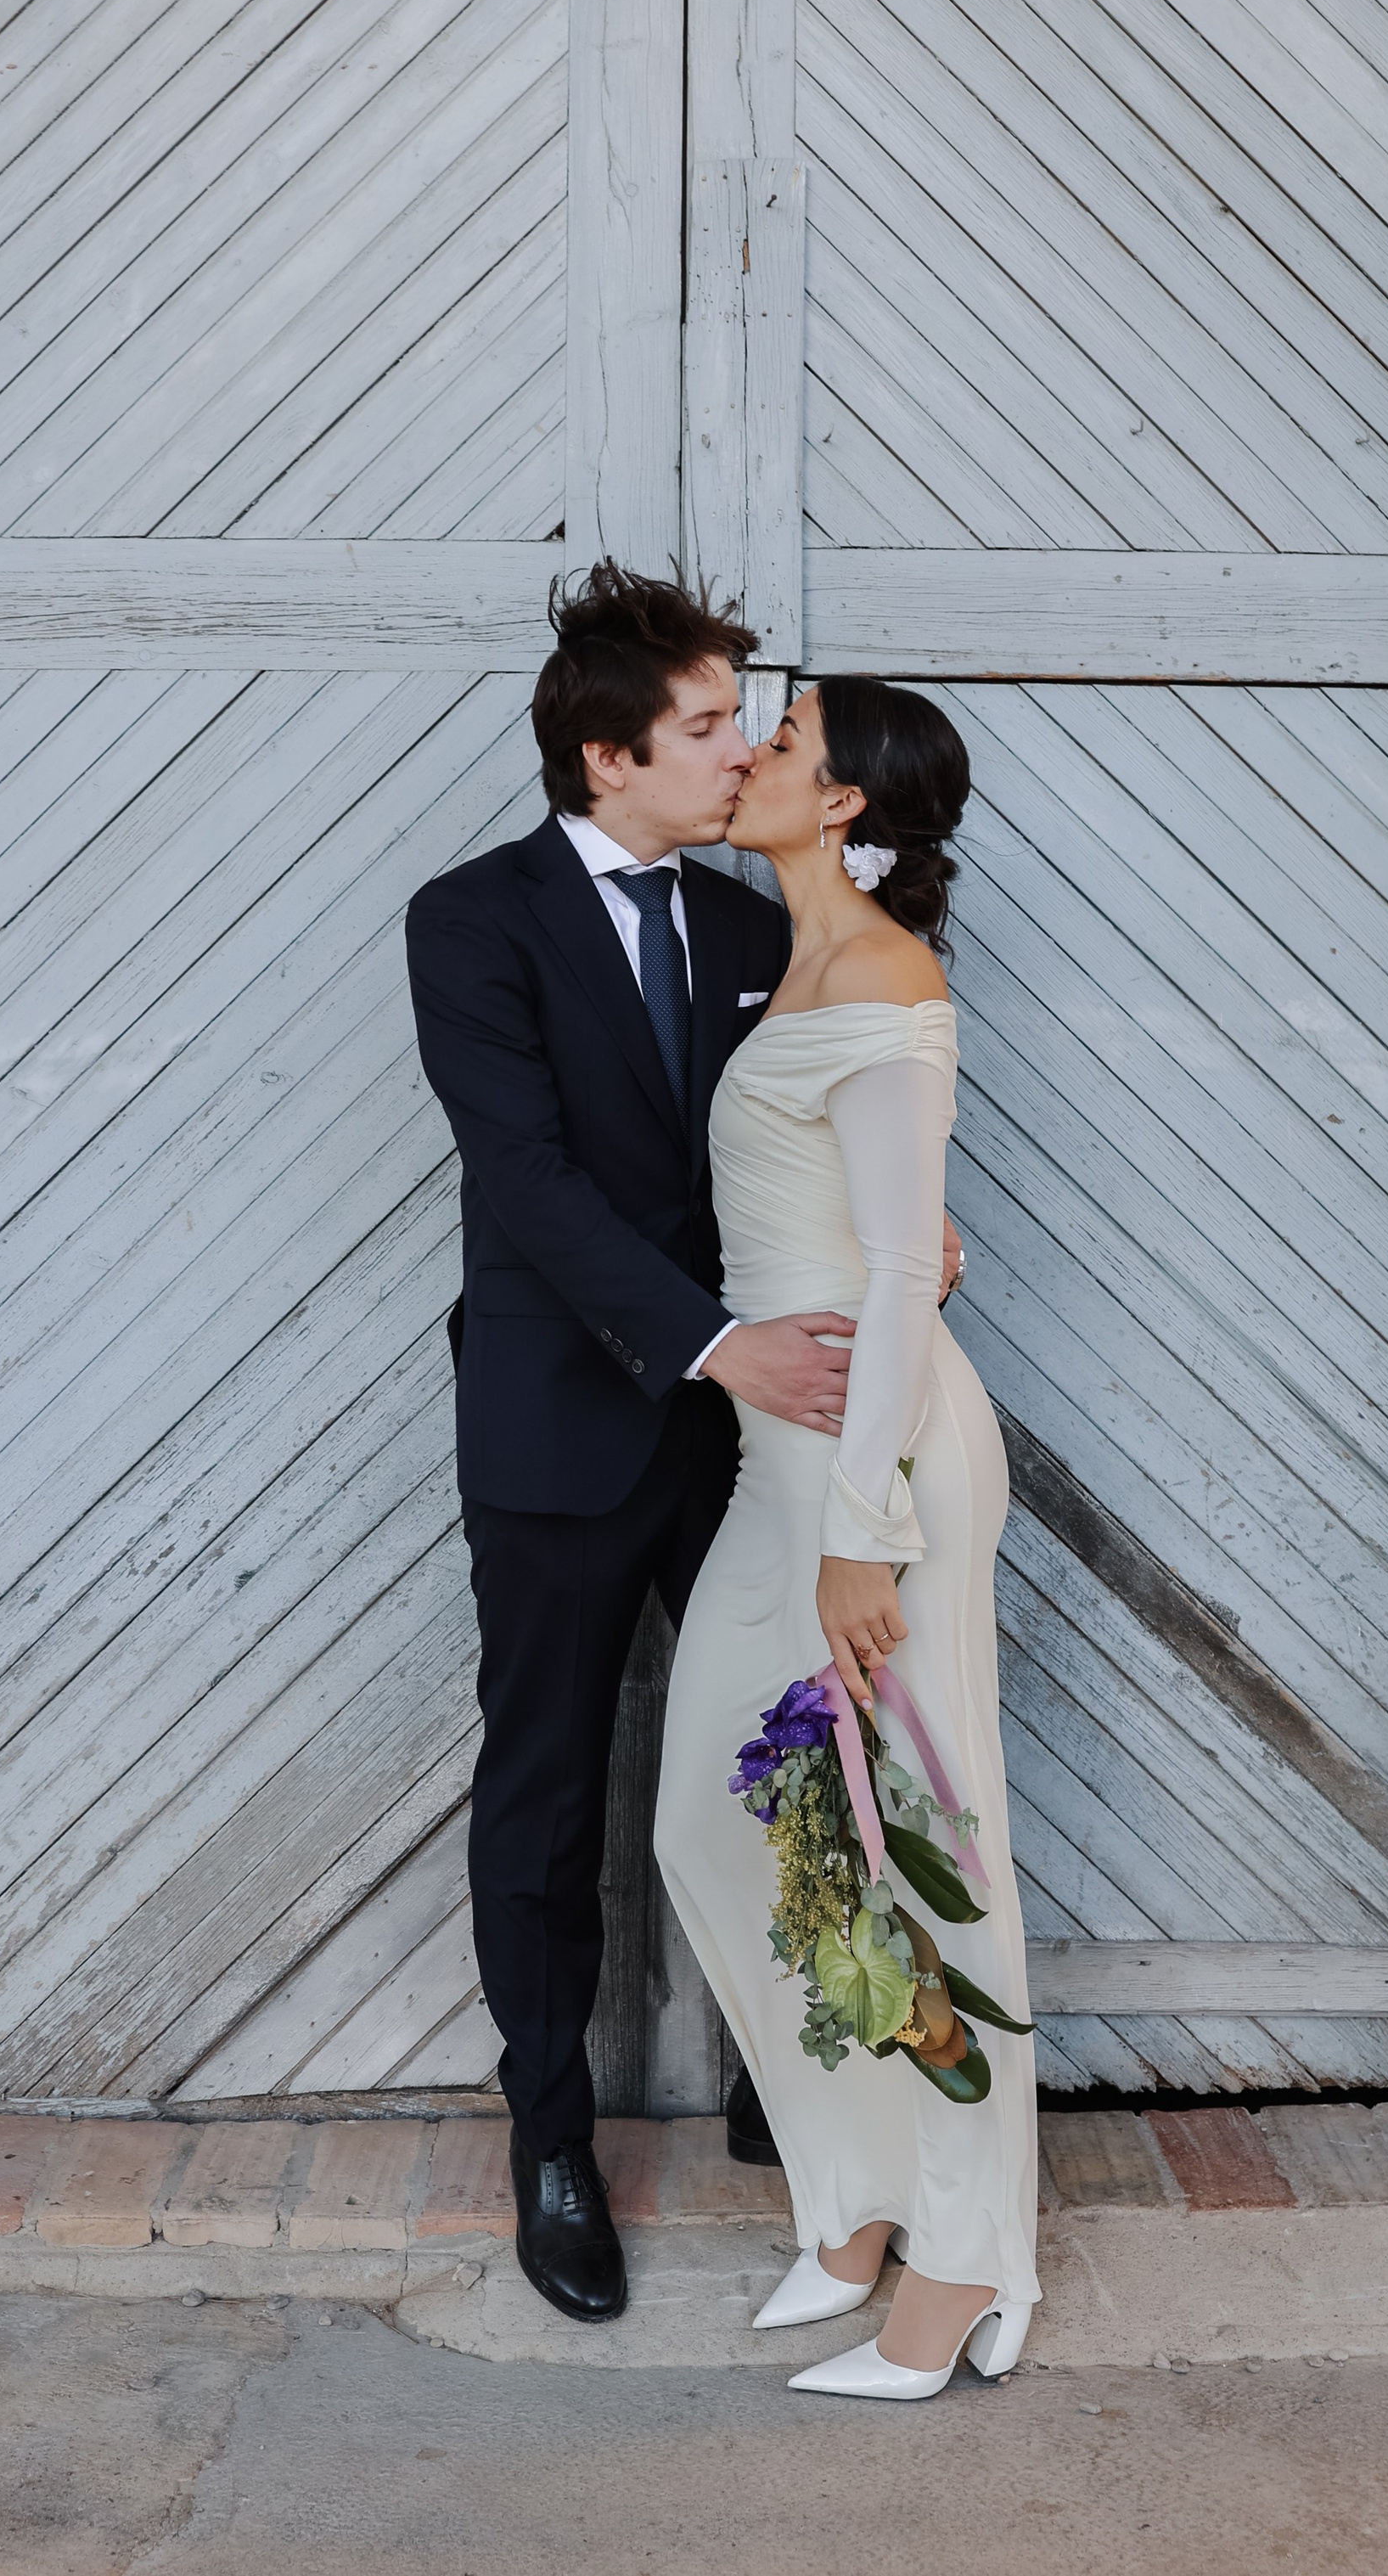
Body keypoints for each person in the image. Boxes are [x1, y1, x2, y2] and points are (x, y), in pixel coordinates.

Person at [405, 564, 859, 2325]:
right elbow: (523, 1181)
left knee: (796, 1758)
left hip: (754, 1438)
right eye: (702, 723)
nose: (735, 745)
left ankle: (796, 2091)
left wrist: (900, 1246)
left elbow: (802, 1146)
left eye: (737, 717)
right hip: (563, 1420)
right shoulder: (472, 921)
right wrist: (711, 1340)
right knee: (544, 1790)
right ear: (607, 758)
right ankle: (548, 2141)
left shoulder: (755, 933)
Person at [655, 678, 1040, 2399]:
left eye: (782, 744)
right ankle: (859, 2191)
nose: (747, 756)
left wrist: (864, 1531)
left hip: (876, 1477)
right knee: (711, 1825)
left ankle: (961, 2262)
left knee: (924, 1854)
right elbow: (872, 1224)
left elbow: (897, 1274)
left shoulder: (884, 978)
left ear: (843, 803)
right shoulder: (797, 963)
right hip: (780, 1462)